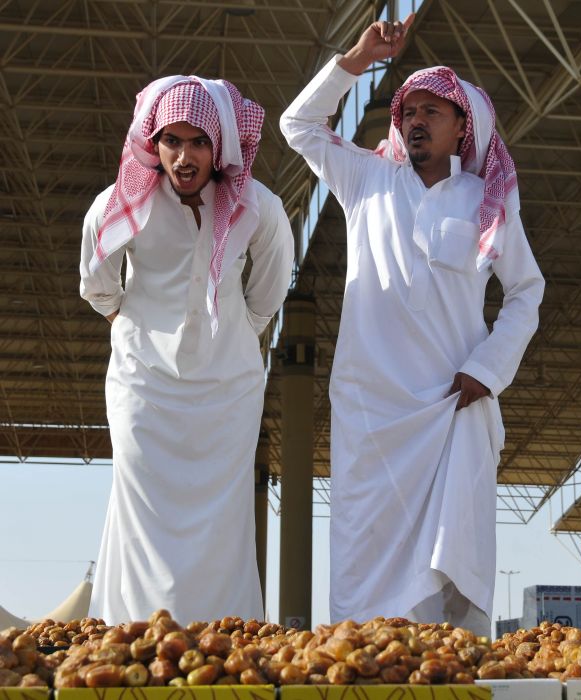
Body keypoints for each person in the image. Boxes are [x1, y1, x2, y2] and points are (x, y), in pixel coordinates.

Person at [280, 15, 544, 636]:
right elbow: (297, 127)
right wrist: (356, 59)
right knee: (363, 555)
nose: (416, 121)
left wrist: (488, 370)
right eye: (409, 112)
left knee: (454, 567)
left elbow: (527, 292)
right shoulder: (367, 178)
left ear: (462, 129)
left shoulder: (486, 200)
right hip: (372, 415)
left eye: (433, 111)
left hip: (453, 409)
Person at [80, 75, 294, 625]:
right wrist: (138, 329)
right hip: (143, 385)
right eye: (172, 141)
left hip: (228, 391)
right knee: (139, 511)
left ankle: (223, 641)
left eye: (198, 142)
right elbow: (97, 282)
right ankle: (128, 636)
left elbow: (268, 291)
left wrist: (229, 336)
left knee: (223, 519)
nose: (184, 156)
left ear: (219, 146)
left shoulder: (258, 208)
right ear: (154, 145)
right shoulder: (121, 203)